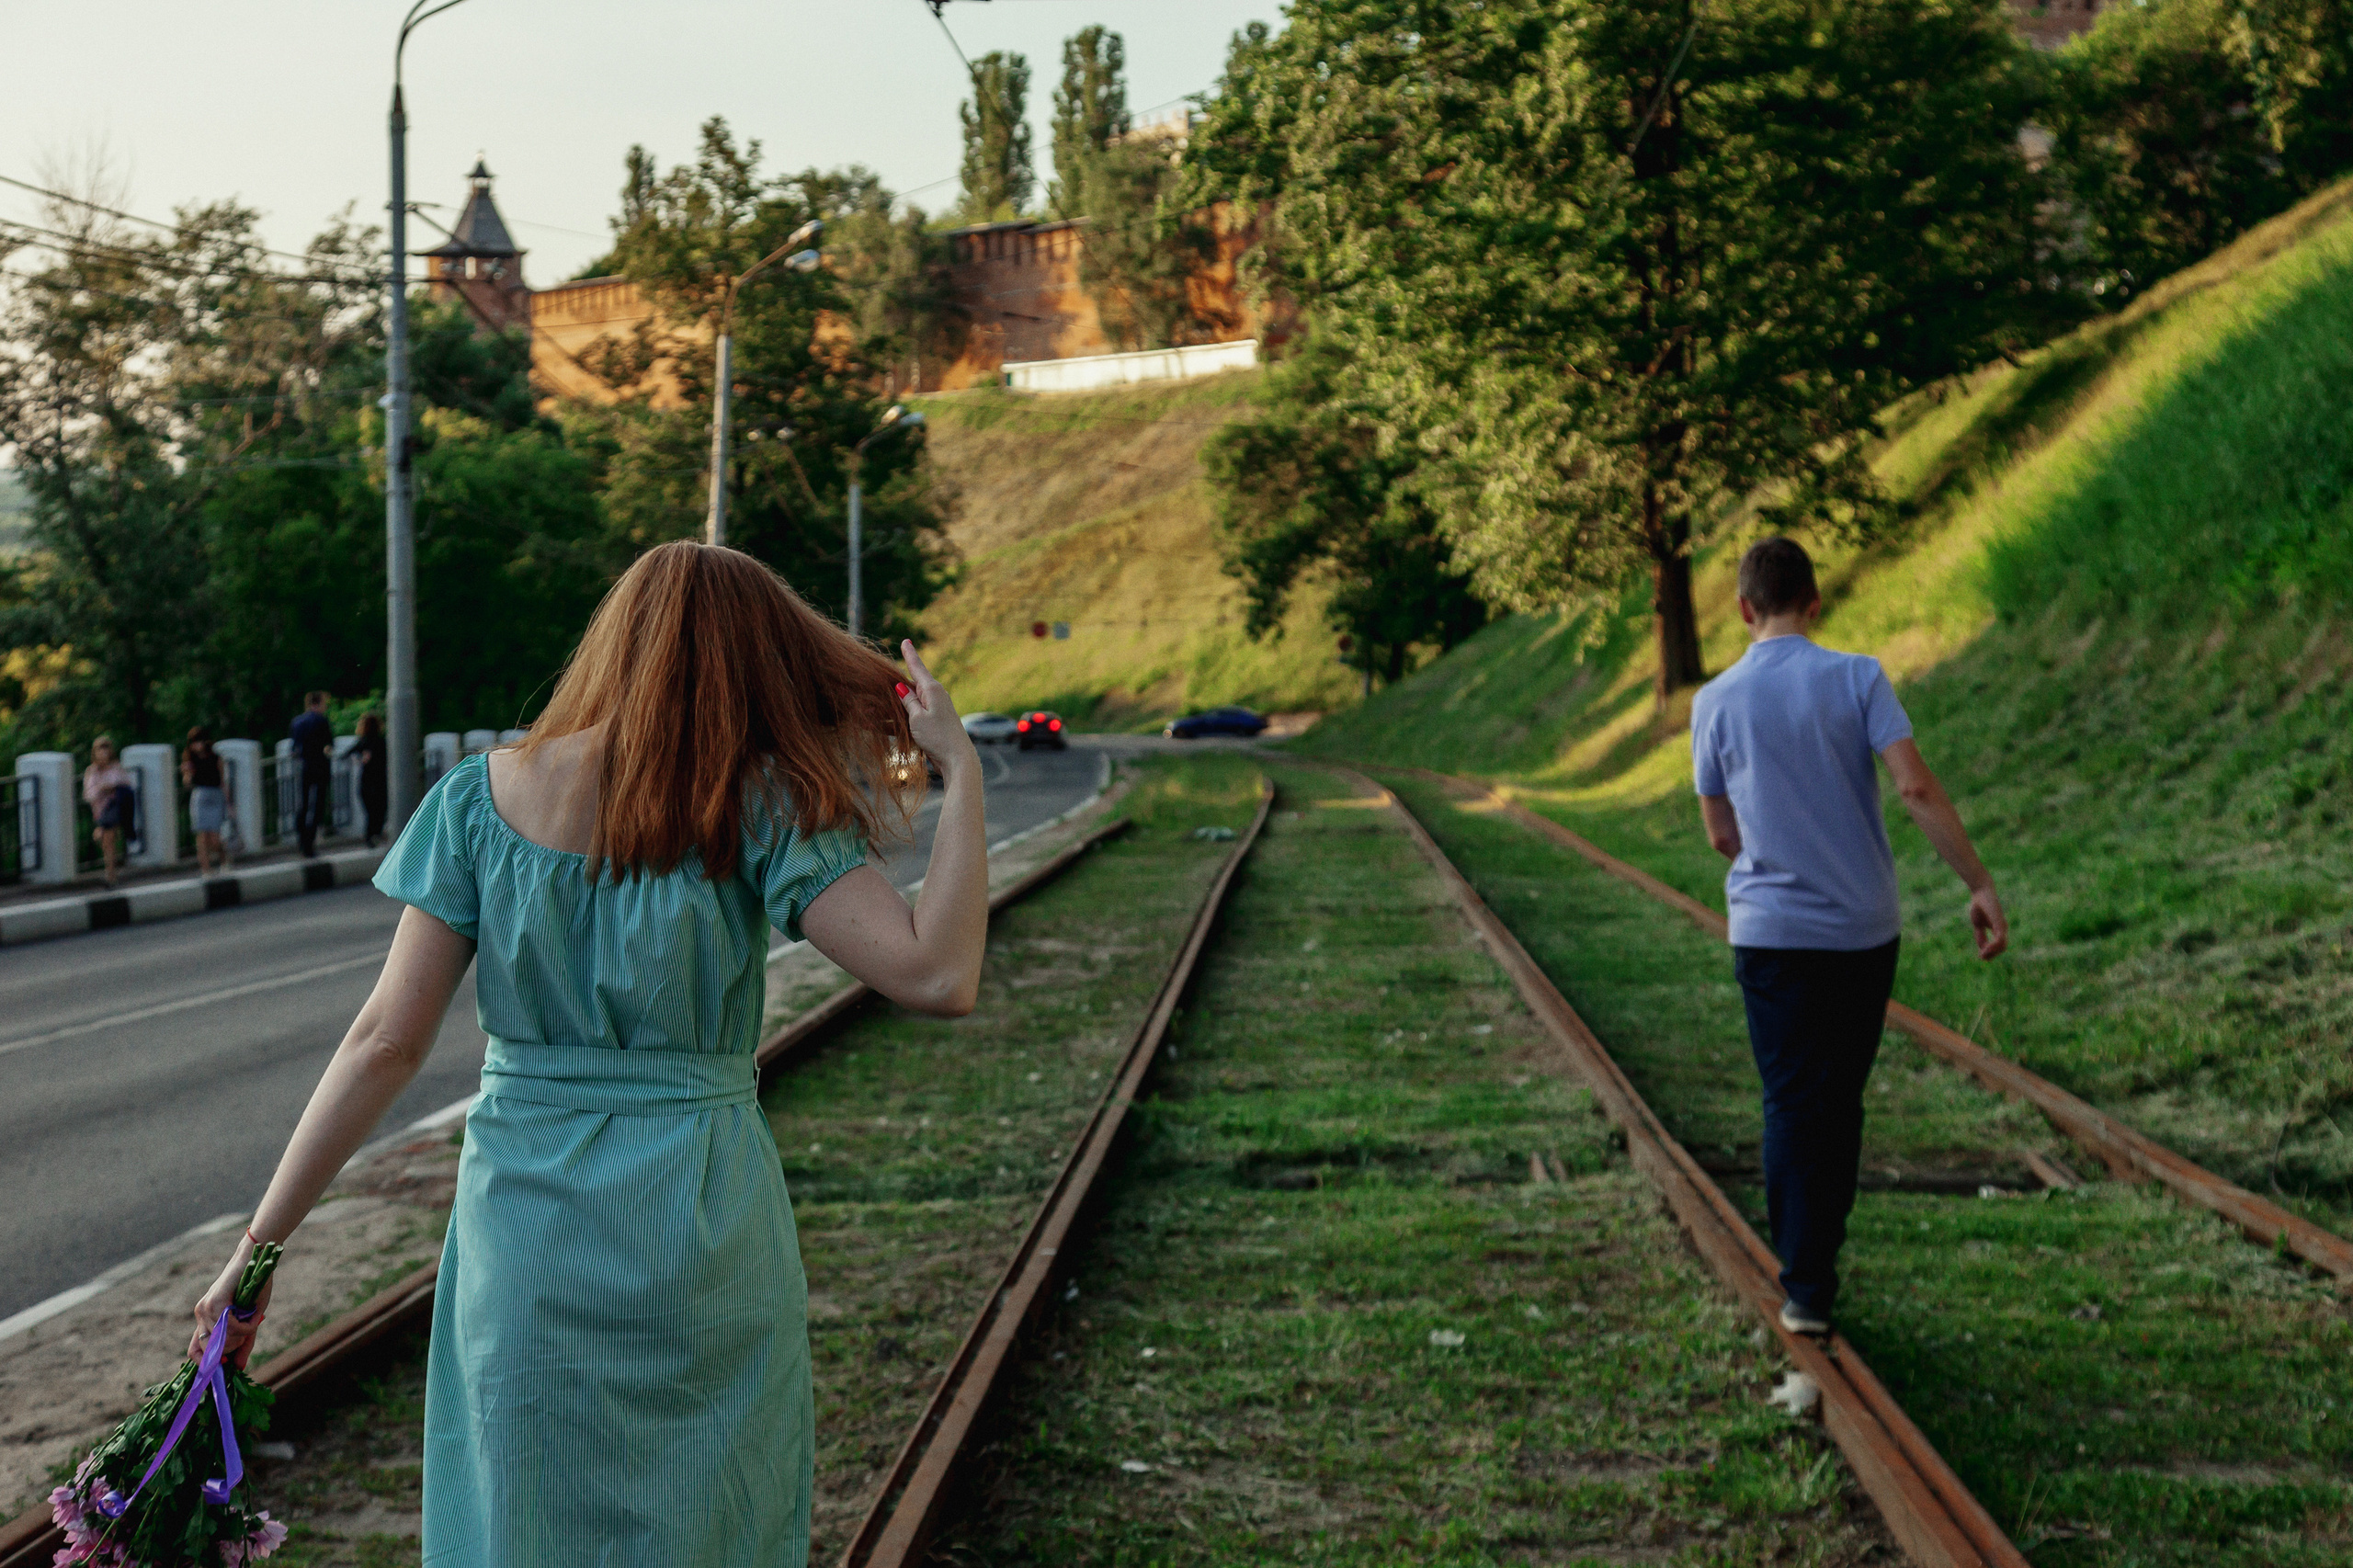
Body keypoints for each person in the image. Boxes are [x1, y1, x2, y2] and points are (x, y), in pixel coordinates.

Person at [190, 542, 988, 1567]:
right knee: (701, 1518)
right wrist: (960, 769)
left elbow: (384, 1039)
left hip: (525, 1235)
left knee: (524, 1519)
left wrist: (258, 1247)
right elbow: (937, 975)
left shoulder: (478, 800)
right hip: (697, 1229)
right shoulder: (757, 805)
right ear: (759, 662)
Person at [1690, 537, 2007, 1338]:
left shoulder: (1715, 700)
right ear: (1815, 603)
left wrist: (1774, 857)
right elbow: (1915, 787)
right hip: (1861, 932)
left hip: (1769, 932)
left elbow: (1720, 832)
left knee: (1790, 1099)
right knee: (1837, 1100)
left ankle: (1806, 1285)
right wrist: (1976, 881)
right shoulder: (1858, 677)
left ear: (1743, 608)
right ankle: (1815, 1266)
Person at [82, 736, 133, 889]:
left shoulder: (116, 768)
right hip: (100, 811)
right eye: (100, 750)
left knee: (108, 840)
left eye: (106, 750)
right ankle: (111, 872)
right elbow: (88, 795)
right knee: (106, 842)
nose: (103, 754)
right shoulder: (92, 771)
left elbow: (126, 785)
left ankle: (110, 876)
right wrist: (101, 789)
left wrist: (112, 787)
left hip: (115, 809)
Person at [290, 691, 335, 858]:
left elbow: (294, 748)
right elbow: (329, 744)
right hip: (320, 767)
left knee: (303, 804)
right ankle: (309, 843)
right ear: (319, 703)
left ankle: (301, 839)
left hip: (304, 767)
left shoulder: (297, 722)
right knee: (317, 806)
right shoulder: (321, 721)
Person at [182, 727, 231, 875]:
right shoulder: (190, 760)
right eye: (193, 743)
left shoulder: (216, 758)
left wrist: (229, 803)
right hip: (200, 796)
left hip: (215, 796)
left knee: (215, 837)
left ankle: (224, 861)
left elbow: (222, 781)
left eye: (199, 742)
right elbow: (187, 783)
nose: (196, 745)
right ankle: (206, 869)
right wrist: (187, 773)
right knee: (202, 836)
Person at [351, 712, 389, 847]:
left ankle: (370, 836)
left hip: (366, 781)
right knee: (380, 810)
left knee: (370, 812)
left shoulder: (362, 741)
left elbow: (349, 753)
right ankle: (375, 834)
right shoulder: (382, 741)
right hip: (380, 781)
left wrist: (360, 759)